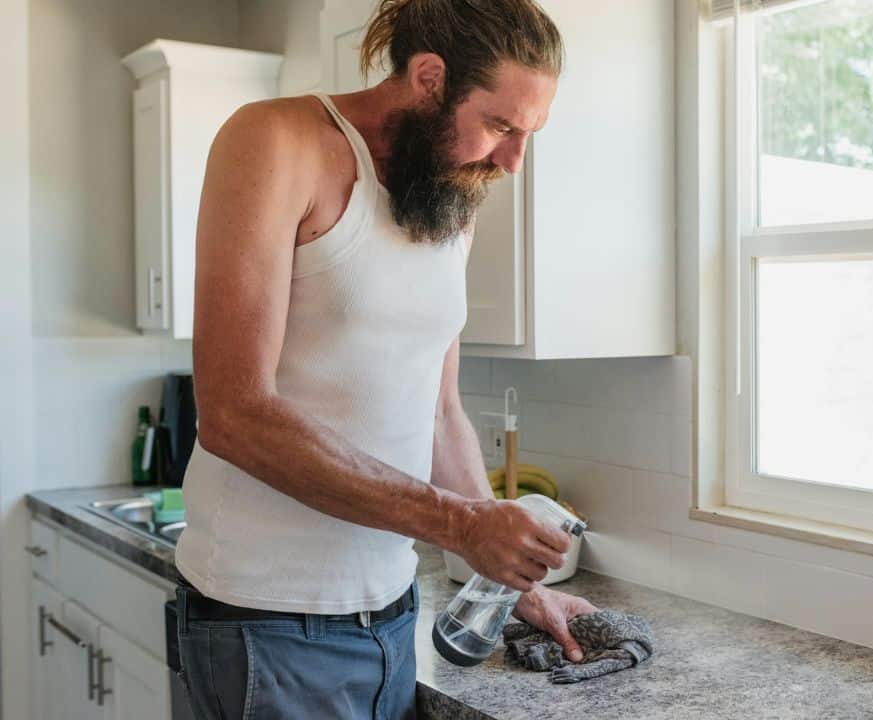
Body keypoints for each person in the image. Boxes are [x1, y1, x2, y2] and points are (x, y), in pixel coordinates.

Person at [172, 1, 596, 716]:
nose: (512, 160)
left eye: (528, 135)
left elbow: (437, 412)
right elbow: (233, 412)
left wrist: (512, 583)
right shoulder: (275, 141)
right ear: (430, 78)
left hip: (392, 620)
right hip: (264, 623)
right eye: (500, 125)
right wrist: (461, 526)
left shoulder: (449, 205)